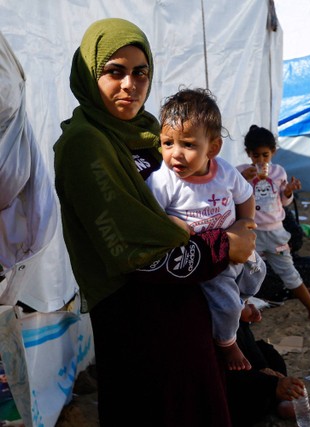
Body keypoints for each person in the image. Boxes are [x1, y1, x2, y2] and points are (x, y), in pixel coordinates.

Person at [53, 18, 255, 426]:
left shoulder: (149, 132)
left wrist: (238, 226)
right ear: (90, 74)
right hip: (138, 323)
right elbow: (135, 250)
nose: (130, 84)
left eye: (140, 72)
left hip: (186, 308)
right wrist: (223, 243)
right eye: (114, 71)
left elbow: (204, 188)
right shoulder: (86, 144)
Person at [146, 88, 266, 371]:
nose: (175, 154)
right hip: (208, 261)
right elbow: (151, 217)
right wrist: (179, 227)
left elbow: (246, 195)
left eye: (187, 144)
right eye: (167, 143)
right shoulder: (163, 181)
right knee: (225, 305)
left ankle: (243, 304)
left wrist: (245, 224)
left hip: (234, 246)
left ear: (212, 148)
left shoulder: (223, 171)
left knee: (259, 272)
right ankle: (228, 343)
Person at [237, 125, 310, 325]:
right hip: (251, 234)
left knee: (289, 271)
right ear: (248, 154)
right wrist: (242, 179)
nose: (261, 161)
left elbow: (281, 202)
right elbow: (232, 197)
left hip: (276, 234)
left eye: (265, 155)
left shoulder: (278, 172)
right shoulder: (239, 173)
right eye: (256, 156)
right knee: (243, 273)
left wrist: (288, 191)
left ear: (273, 152)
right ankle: (242, 313)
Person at [226, 303, 310, 426]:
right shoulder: (218, 318)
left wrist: (264, 368)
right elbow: (231, 365)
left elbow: (246, 338)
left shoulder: (233, 305)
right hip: (236, 398)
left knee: (267, 350)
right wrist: (271, 382)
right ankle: (277, 402)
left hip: (246, 360)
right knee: (248, 376)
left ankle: (280, 402)